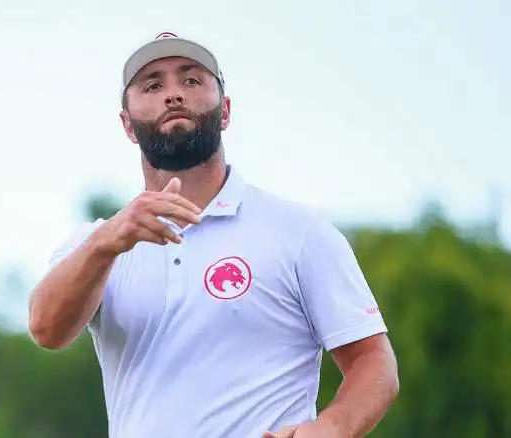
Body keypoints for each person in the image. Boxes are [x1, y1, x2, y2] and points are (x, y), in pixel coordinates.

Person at [28, 32, 399, 438]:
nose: (173, 95)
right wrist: (106, 243)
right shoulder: (96, 245)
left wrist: (334, 426)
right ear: (127, 126)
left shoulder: (298, 230)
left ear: (225, 111)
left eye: (191, 80)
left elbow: (373, 361)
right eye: (153, 84)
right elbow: (47, 329)